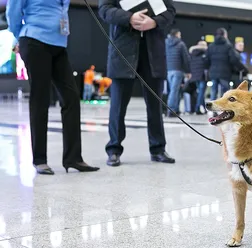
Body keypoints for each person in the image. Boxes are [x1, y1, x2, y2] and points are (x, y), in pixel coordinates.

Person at [6, 0, 99, 175]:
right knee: (40, 99)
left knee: (71, 99)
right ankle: (40, 160)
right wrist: (19, 36)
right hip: (34, 40)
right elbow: (13, 11)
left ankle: (73, 158)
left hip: (59, 44)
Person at [99, 0, 176, 166]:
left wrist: (155, 22)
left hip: (153, 53)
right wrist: (129, 17)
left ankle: (158, 149)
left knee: (155, 105)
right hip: (123, 51)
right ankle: (114, 149)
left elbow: (170, 11)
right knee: (118, 106)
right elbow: (104, 9)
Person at [206, 28, 244, 100]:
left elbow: (206, 60)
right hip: (225, 72)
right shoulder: (228, 46)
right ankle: (224, 108)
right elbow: (233, 59)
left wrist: (209, 68)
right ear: (225, 35)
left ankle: (212, 109)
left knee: (213, 90)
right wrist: (242, 68)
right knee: (225, 92)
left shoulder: (211, 46)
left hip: (213, 72)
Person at [165, 29, 191, 117]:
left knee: (175, 90)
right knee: (174, 91)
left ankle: (175, 109)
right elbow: (186, 58)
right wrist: (188, 71)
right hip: (178, 70)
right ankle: (171, 110)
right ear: (177, 35)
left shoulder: (166, 43)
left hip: (169, 70)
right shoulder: (181, 44)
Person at [189, 40, 208, 114]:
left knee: (200, 92)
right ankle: (197, 108)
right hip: (202, 75)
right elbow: (206, 63)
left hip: (195, 75)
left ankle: (203, 108)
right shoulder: (205, 53)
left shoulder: (192, 53)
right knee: (201, 93)